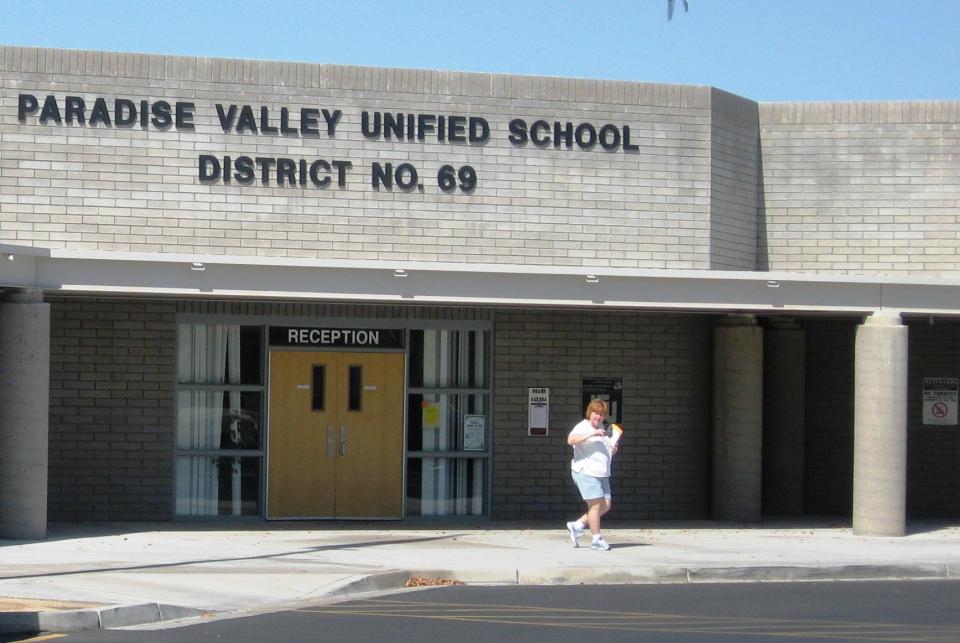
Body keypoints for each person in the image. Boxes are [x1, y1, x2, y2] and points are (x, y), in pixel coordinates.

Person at [565, 399, 619, 551]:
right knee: (595, 506)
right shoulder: (583, 426)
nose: (599, 417)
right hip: (586, 472)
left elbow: (604, 448)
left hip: (602, 473)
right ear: (590, 413)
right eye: (596, 413)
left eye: (601, 414)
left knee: (606, 505)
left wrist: (612, 450)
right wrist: (592, 433)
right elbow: (571, 440)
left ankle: (578, 525)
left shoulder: (602, 427)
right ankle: (597, 539)